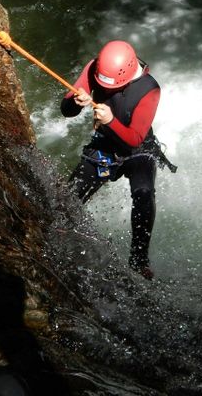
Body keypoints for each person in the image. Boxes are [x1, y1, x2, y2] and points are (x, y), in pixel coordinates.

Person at [60, 40, 174, 280]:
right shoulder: (95, 68)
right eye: (103, 85)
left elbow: (134, 139)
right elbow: (66, 110)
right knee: (67, 200)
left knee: (143, 193)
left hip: (137, 149)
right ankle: (60, 239)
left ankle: (138, 258)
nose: (106, 90)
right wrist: (75, 101)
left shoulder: (149, 88)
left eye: (111, 87)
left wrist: (110, 121)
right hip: (104, 146)